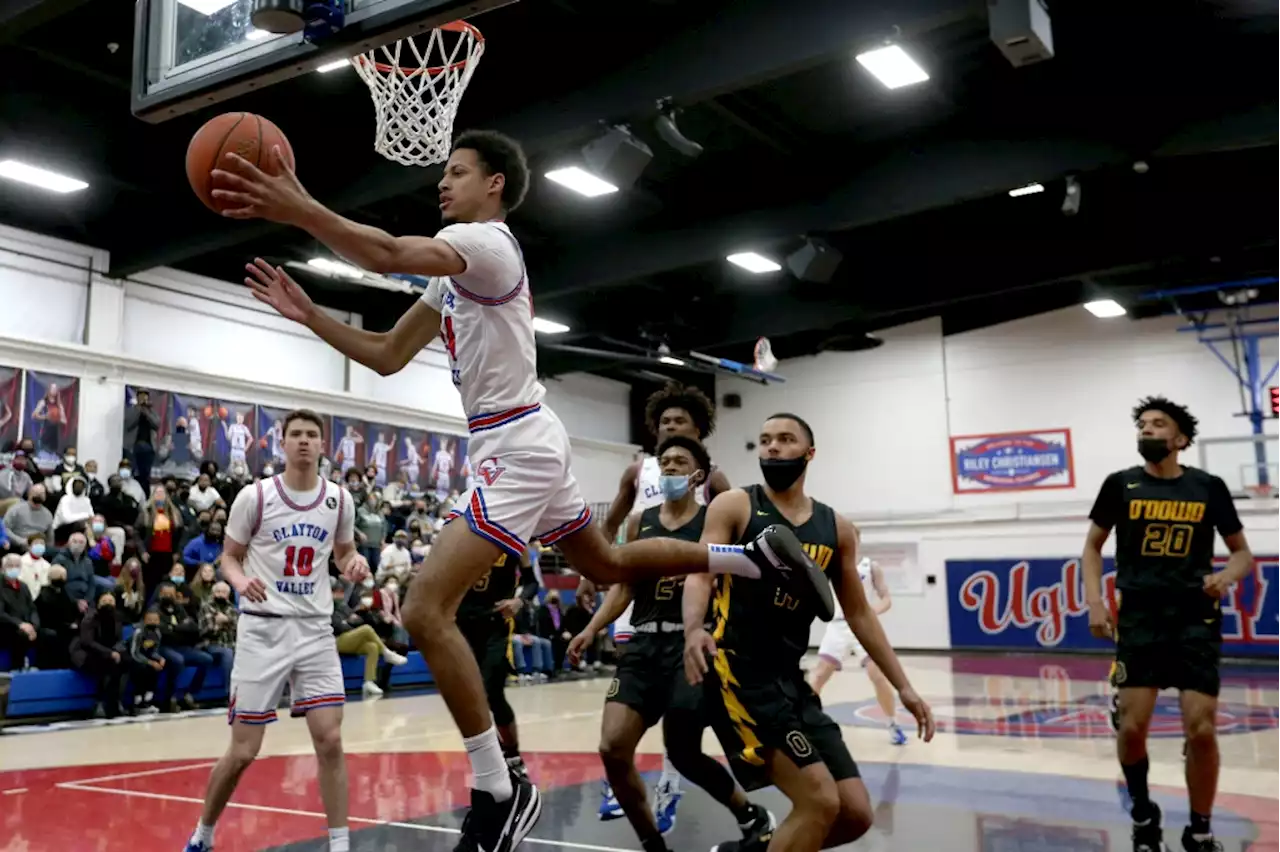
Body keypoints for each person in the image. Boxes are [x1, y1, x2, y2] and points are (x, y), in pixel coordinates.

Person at [213, 129, 834, 852]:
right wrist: (311, 315)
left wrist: (298, 207)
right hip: (521, 437)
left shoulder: (488, 244)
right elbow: (386, 356)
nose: (443, 184)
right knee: (605, 563)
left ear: (495, 185)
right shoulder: (454, 276)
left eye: (457, 172)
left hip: (516, 443)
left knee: (422, 608)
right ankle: (753, 558)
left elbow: (383, 251)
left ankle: (498, 787)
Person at [686, 413, 935, 852]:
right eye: (764, 441)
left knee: (855, 814)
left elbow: (859, 614)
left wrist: (905, 688)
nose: (773, 448)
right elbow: (700, 573)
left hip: (790, 681)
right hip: (738, 672)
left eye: (785, 439)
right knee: (819, 801)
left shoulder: (836, 528)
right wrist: (692, 629)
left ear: (809, 453)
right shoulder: (735, 507)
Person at [569, 436, 774, 850]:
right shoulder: (638, 521)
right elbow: (625, 586)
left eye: (679, 462)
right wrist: (592, 628)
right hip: (642, 649)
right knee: (612, 747)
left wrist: (704, 576)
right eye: (664, 463)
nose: (669, 469)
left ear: (698, 475)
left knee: (682, 753)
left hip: (690, 649)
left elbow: (737, 578)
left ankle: (748, 812)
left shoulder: (713, 523)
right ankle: (652, 843)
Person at [184, 409, 369, 852]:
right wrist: (241, 580)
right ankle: (203, 834)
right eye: (296, 435)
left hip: (313, 630)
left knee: (330, 738)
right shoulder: (256, 496)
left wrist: (353, 564)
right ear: (281, 443)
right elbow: (229, 556)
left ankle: (340, 844)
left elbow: (343, 553)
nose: (304, 441)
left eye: (312, 435)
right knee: (244, 751)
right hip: (263, 631)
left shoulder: (339, 500)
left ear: (323, 446)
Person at [1082, 397, 1252, 852]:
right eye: (1142, 424)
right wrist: (1095, 602)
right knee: (1133, 730)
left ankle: (1200, 828)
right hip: (1140, 619)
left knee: (1201, 729)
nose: (1148, 430)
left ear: (1180, 439)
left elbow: (1242, 553)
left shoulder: (1208, 487)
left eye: (1158, 424)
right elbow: (1093, 548)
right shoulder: (1120, 485)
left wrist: (1227, 576)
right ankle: (1143, 814)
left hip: (1195, 619)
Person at [597, 381, 730, 830]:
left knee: (680, 714)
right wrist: (593, 564)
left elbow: (731, 534)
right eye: (665, 422)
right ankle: (618, 776)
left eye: (680, 422)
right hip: (640, 581)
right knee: (631, 675)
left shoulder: (712, 478)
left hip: (691, 595)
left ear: (699, 431)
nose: (671, 427)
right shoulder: (639, 471)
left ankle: (671, 783)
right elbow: (613, 519)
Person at [452, 541, 539, 778]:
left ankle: (512, 754)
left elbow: (532, 582)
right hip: (461, 626)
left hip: (495, 625)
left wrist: (519, 601)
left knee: (492, 691)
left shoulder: (515, 543)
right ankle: (487, 755)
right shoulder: (464, 537)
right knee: (468, 697)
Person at [808, 557, 907, 746]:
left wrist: (873, 611)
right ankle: (807, 725)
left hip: (863, 625)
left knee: (878, 675)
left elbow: (886, 599)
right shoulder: (828, 564)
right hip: (837, 626)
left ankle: (892, 724)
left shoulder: (870, 567)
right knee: (818, 676)